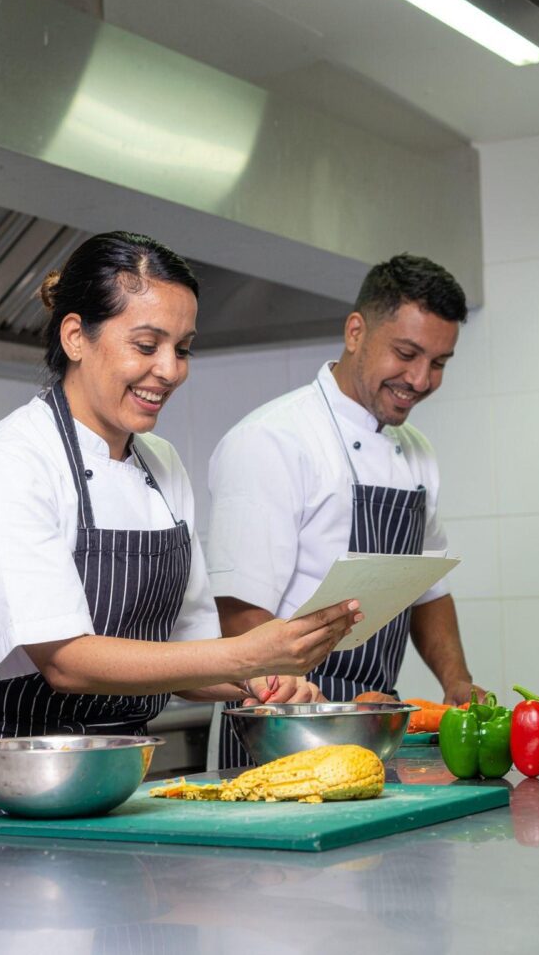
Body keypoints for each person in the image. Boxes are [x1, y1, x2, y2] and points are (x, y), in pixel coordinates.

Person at [0, 231, 360, 820]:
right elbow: (66, 662)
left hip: (108, 779)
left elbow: (189, 657)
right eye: (146, 344)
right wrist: (242, 656)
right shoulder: (13, 460)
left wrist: (259, 682)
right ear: (75, 337)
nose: (169, 370)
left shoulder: (161, 465)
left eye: (183, 348)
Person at [207, 253, 482, 767]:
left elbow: (428, 589)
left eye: (439, 363)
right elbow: (239, 612)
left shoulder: (416, 451)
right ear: (356, 331)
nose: (421, 379)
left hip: (371, 720)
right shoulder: (270, 440)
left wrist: (456, 681)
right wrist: (307, 699)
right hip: (280, 724)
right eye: (406, 353)